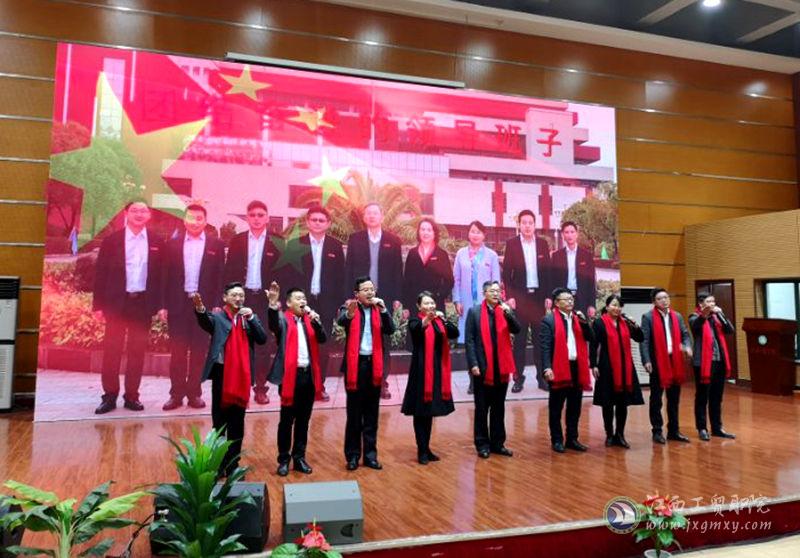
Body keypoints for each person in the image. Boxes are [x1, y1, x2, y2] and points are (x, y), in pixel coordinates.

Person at [93, 199, 164, 415]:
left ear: (149, 215)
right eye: (134, 210)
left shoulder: (157, 241)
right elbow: (101, 274)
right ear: (126, 213)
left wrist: (161, 305)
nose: (139, 214)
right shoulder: (112, 241)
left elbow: (162, 276)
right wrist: (98, 305)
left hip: (141, 304)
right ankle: (109, 396)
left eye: (143, 211)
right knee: (112, 351)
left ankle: (132, 396)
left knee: (137, 351)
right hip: (116, 303)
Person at [193, 282, 267, 477]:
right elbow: (206, 322)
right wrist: (200, 309)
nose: (238, 298)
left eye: (241, 295)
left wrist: (252, 318)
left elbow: (262, 338)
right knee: (220, 424)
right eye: (234, 295)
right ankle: (219, 464)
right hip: (222, 375)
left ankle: (233, 465)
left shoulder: (248, 318)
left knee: (237, 425)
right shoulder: (218, 317)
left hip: (242, 376)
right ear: (225, 298)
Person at [162, 204, 224, 411]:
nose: (195, 222)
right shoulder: (172, 244)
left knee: (199, 352)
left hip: (203, 307)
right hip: (178, 305)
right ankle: (176, 395)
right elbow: (165, 276)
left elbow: (219, 276)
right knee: (177, 353)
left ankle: (194, 394)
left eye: (199, 218)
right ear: (184, 220)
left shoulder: (216, 245)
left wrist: (217, 304)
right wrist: (163, 305)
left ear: (205, 221)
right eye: (191, 218)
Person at [224, 200, 284, 405]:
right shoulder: (237, 241)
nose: (257, 219)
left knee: (263, 345)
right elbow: (228, 271)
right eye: (252, 215)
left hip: (265, 300)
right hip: (242, 299)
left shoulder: (278, 242)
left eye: (260, 215)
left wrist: (279, 299)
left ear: (267, 218)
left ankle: (260, 389)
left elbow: (285, 273)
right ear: (247, 218)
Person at [266, 282, 327, 476]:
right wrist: (272, 305)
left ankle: (299, 458)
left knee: (303, 421)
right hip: (290, 378)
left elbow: (323, 339)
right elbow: (273, 324)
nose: (303, 301)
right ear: (289, 303)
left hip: (308, 377)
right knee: (286, 421)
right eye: (298, 298)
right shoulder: (283, 320)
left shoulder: (310, 320)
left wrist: (317, 321)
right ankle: (283, 459)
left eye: (304, 298)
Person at [344, 203, 403, 399]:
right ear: (364, 217)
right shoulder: (355, 239)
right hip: (359, 297)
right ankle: (360, 380)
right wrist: (349, 295)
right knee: (359, 337)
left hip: (383, 297)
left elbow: (398, 270)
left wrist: (397, 297)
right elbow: (348, 268)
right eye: (368, 213)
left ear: (382, 216)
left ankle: (382, 382)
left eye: (375, 213)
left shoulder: (393, 240)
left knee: (383, 340)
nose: (371, 216)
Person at [337, 276, 396, 471]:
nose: (370, 292)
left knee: (371, 415)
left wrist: (385, 310)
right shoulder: (350, 307)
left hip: (374, 367)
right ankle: (353, 456)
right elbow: (341, 321)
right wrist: (349, 313)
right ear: (357, 293)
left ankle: (370, 456)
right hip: (356, 367)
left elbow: (391, 329)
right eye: (366, 289)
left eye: (372, 289)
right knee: (354, 415)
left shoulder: (379, 309)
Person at [401, 291, 459, 465]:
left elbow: (454, 333)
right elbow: (416, 331)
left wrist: (444, 320)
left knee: (430, 412)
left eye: (432, 303)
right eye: (426, 303)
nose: (430, 306)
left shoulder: (439, 321)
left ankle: (426, 448)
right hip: (421, 372)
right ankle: (421, 450)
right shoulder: (415, 321)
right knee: (421, 412)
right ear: (419, 306)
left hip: (437, 371)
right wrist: (427, 319)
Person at [464, 280, 521, 458]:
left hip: (501, 367)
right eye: (492, 291)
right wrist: (473, 364)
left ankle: (498, 443)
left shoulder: (504, 310)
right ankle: (482, 444)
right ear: (484, 293)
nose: (496, 294)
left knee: (498, 407)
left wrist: (508, 313)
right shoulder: (474, 312)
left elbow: (517, 329)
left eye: (498, 291)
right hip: (482, 367)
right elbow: (469, 341)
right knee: (482, 408)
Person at [501, 209, 553, 393]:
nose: (527, 226)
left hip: (538, 298)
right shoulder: (512, 244)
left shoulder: (542, 244)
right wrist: (510, 296)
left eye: (530, 222)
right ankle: (518, 378)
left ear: (534, 225)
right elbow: (506, 273)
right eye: (524, 222)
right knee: (520, 340)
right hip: (520, 299)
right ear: (519, 225)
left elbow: (548, 272)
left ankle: (541, 378)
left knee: (540, 340)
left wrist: (549, 296)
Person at [299, 205, 345, 402]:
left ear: (328, 224)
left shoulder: (335, 246)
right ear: (307, 221)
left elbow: (340, 278)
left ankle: (320, 386)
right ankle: (302, 386)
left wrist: (339, 305)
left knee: (323, 347)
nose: (317, 223)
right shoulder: (296, 244)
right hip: (302, 304)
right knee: (301, 346)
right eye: (314, 219)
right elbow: (288, 275)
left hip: (325, 305)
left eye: (321, 220)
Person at [540, 287, 594, 453]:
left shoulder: (578, 318)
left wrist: (585, 323)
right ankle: (557, 440)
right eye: (566, 299)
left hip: (577, 367)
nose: (570, 302)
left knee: (575, 406)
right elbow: (545, 347)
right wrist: (547, 367)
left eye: (571, 299)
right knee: (556, 407)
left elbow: (591, 337)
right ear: (557, 303)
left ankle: (572, 438)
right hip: (559, 367)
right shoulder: (549, 320)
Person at [590, 295, 644, 449]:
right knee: (607, 403)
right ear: (607, 307)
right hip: (607, 367)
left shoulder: (625, 322)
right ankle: (609, 434)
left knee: (622, 403)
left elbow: (640, 338)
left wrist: (635, 325)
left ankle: (620, 435)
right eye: (614, 305)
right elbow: (593, 345)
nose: (617, 308)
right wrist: (593, 365)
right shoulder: (599, 323)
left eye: (619, 305)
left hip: (625, 367)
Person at [640, 287, 693, 444]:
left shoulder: (677, 316)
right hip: (657, 361)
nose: (664, 300)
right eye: (660, 298)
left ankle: (674, 431)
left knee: (674, 398)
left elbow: (685, 334)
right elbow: (644, 341)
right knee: (656, 398)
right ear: (654, 302)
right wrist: (646, 360)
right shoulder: (648, 317)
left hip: (674, 360)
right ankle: (657, 431)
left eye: (666, 297)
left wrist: (687, 346)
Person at [689, 293, 736, 441]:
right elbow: (696, 327)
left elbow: (730, 330)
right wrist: (705, 314)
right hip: (703, 363)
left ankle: (717, 428)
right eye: (709, 301)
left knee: (716, 396)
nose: (713, 304)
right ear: (701, 304)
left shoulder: (717, 317)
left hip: (719, 361)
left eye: (713, 301)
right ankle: (702, 428)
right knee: (702, 396)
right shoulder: (694, 317)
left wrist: (721, 314)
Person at [453, 220, 501, 345]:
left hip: (485, 301)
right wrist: (457, 300)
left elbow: (496, 282)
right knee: (468, 340)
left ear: (484, 235)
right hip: (466, 302)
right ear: (468, 234)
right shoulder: (461, 254)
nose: (475, 235)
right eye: (472, 231)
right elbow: (456, 280)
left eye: (478, 232)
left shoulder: (492, 255)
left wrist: (493, 302)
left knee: (485, 339)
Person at [402, 218, 454, 313]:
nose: (425, 233)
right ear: (418, 232)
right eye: (423, 229)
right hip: (415, 304)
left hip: (435, 303)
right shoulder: (412, 253)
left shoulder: (441, 254)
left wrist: (439, 295)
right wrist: (406, 306)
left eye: (429, 230)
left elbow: (449, 280)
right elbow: (406, 281)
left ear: (434, 233)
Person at [551, 221, 596, 314]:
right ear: (563, 235)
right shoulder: (556, 256)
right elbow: (553, 282)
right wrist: (554, 304)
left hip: (581, 299)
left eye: (572, 232)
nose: (569, 235)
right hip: (563, 300)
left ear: (577, 234)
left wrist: (592, 304)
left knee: (580, 323)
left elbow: (591, 281)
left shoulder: (587, 256)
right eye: (566, 232)